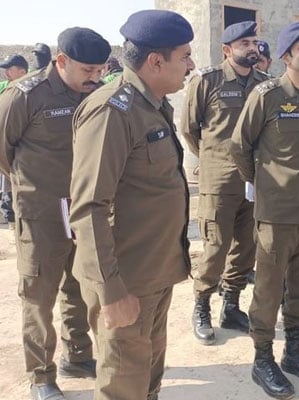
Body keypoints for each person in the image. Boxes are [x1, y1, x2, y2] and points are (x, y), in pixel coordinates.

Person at [69, 10, 194, 400]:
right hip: (125, 280)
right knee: (123, 384)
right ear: (156, 61)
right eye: (184, 56)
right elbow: (88, 208)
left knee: (147, 375)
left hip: (154, 272)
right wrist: (111, 292)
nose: (191, 65)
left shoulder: (153, 104)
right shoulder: (113, 111)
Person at [0, 28, 111, 400]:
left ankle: (78, 354)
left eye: (100, 69)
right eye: (88, 69)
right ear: (61, 61)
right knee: (38, 293)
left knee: (80, 284)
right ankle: (41, 374)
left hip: (84, 208)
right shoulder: (26, 94)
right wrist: (32, 185)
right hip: (41, 211)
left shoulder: (97, 92)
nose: (95, 77)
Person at [231, 21, 299, 400]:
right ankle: (262, 359)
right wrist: (266, 184)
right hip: (276, 213)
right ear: (287, 56)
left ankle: (292, 352)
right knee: (269, 290)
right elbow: (240, 147)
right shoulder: (266, 95)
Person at [180, 20, 268, 344]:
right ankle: (201, 304)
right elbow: (189, 128)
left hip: (254, 179)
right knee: (216, 247)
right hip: (219, 180)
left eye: (254, 42)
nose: (252, 48)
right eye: (245, 43)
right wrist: (210, 160)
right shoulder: (207, 80)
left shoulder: (264, 83)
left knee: (246, 247)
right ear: (227, 50)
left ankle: (231, 305)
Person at [0, 54, 28, 226]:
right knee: (3, 177)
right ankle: (7, 218)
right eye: (5, 70)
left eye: (9, 69)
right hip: (3, 143)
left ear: (22, 71)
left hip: (24, 146)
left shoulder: (33, 90)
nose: (6, 73)